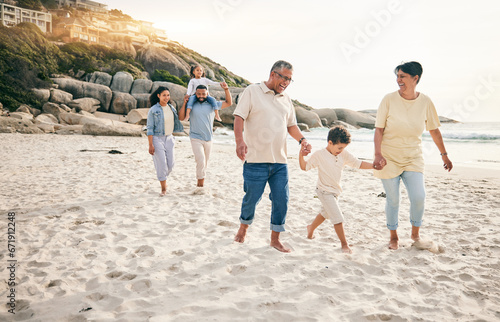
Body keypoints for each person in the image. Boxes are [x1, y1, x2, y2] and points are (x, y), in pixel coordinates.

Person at [233, 60, 312, 253]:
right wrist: (239, 141)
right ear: (273, 74)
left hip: (280, 162)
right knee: (251, 198)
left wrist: (302, 140)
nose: (286, 82)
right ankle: (243, 228)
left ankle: (275, 239)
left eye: (289, 79)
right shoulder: (252, 91)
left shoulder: (286, 99)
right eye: (284, 77)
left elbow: (291, 125)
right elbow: (239, 117)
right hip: (255, 160)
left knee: (281, 199)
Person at [373, 61, 453, 250]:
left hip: (413, 157)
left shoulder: (425, 101)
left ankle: (415, 233)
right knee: (393, 200)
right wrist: (377, 154)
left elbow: (434, 131)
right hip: (388, 157)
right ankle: (393, 237)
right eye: (397, 76)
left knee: (419, 197)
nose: (398, 80)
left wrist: (444, 155)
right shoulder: (388, 99)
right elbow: (378, 130)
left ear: (415, 78)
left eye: (402, 76)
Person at [299, 126, 374, 254]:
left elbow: (358, 163)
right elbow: (304, 167)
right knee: (337, 217)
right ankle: (344, 244)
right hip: (323, 191)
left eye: (343, 148)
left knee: (325, 213)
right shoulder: (319, 155)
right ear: (330, 143)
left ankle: (310, 228)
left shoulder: (343, 154)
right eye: (339, 148)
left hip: (335, 192)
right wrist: (301, 155)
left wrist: (374, 166)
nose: (341, 150)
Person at [178, 83, 233, 188]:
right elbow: (181, 118)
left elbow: (229, 103)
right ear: (195, 94)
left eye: (203, 94)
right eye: (198, 94)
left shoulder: (213, 105)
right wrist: (184, 103)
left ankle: (199, 183)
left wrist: (226, 89)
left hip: (208, 138)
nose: (201, 96)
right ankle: (200, 186)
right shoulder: (191, 104)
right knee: (201, 160)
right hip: (195, 137)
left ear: (207, 93)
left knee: (204, 163)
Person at [146, 86, 184, 196]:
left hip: (170, 138)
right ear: (158, 96)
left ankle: (162, 177)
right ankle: (163, 188)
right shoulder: (153, 110)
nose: (166, 97)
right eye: (164, 95)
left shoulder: (172, 108)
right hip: (157, 138)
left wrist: (186, 102)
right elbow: (149, 128)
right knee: (162, 164)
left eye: (168, 95)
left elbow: (179, 119)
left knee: (171, 165)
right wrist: (150, 144)